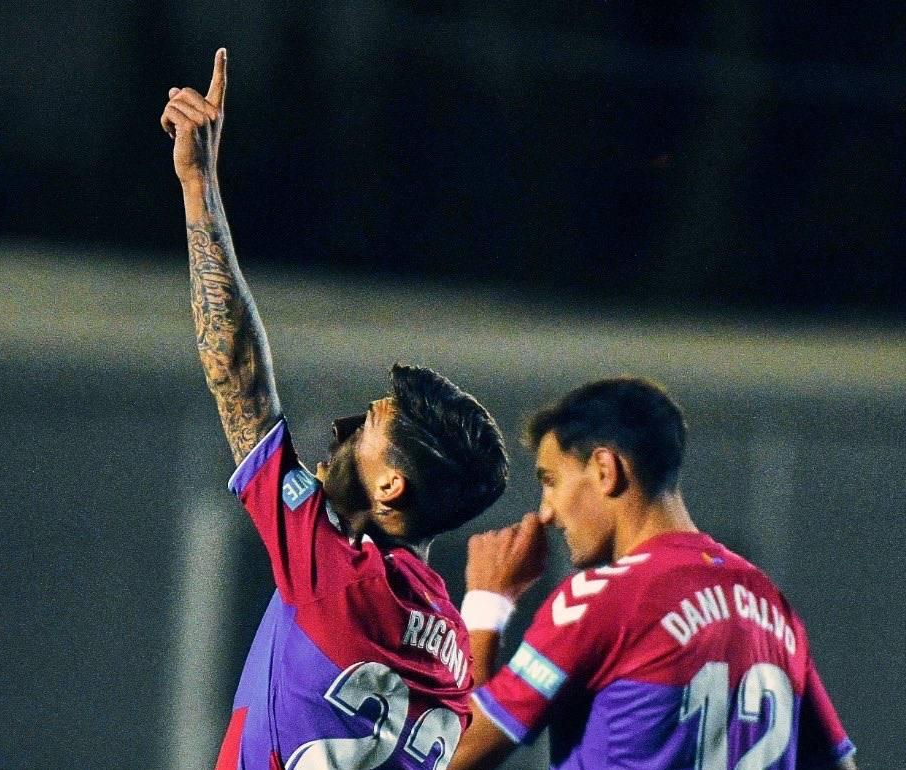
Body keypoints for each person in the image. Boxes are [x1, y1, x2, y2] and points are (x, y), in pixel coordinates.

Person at [162, 49, 512, 770]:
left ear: (392, 489)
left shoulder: (343, 580)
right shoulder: (445, 648)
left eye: (372, 424)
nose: (348, 428)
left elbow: (237, 375)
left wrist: (200, 185)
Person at [449, 377, 856, 770]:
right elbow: (839, 764)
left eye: (551, 481)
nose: (547, 512)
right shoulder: (770, 605)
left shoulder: (602, 598)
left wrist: (488, 602)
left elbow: (455, 753)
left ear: (605, 469)